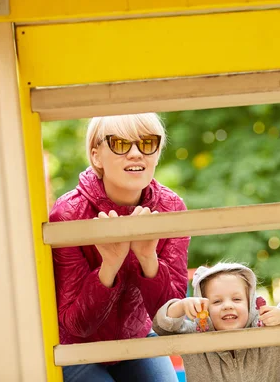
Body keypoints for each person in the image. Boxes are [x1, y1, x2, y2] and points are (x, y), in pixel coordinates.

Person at [49, 113, 189, 382]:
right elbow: (77, 324)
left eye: (147, 143)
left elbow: (170, 318)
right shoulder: (68, 214)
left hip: (136, 336)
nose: (136, 153)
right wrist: (110, 265)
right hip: (78, 346)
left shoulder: (171, 208)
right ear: (96, 156)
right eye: (120, 144)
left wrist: (148, 258)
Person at [153, 262, 280, 382]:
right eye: (217, 302)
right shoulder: (195, 335)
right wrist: (180, 306)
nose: (228, 305)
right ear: (205, 308)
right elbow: (161, 327)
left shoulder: (267, 328)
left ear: (250, 303)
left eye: (237, 299)